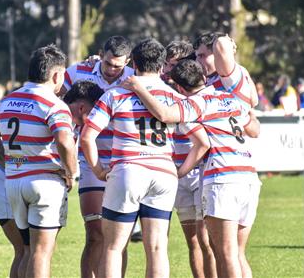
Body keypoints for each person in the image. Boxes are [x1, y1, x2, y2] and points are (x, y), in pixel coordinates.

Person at [120, 56, 261, 278]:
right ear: (204, 77)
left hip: (223, 178)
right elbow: (254, 129)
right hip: (249, 176)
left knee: (226, 253)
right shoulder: (229, 98)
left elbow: (165, 114)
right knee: (238, 253)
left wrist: (139, 88)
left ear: (179, 87)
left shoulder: (196, 103)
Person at [81, 38, 210, 278]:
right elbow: (202, 142)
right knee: (158, 248)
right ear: (162, 67)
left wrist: (99, 170)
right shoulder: (175, 98)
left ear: (134, 64)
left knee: (113, 247)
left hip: (128, 171)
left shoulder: (115, 94)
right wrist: (179, 171)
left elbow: (87, 137)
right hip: (163, 174)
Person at [0, 44, 78, 278]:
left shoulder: (7, 101)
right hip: (44, 182)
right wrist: (70, 172)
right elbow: (65, 141)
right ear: (56, 75)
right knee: (41, 253)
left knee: (26, 251)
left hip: (14, 182)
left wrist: (11, 164)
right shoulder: (54, 104)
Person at [58, 35, 134, 278]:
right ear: (101, 55)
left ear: (128, 61)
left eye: (118, 66)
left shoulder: (134, 77)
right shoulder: (77, 71)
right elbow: (57, 101)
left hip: (124, 162)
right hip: (90, 163)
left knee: (118, 238)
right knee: (94, 233)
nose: (112, 70)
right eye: (108, 63)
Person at [165, 39, 218, 278]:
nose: (169, 70)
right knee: (193, 241)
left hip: (199, 171)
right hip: (177, 171)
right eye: (167, 64)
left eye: (175, 65)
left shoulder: (200, 93)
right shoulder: (162, 90)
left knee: (208, 241)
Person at [194, 32, 258, 111]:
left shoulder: (230, 75)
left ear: (216, 54)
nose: (197, 61)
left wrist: (229, 43)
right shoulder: (204, 78)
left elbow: (221, 43)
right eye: (196, 56)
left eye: (202, 56)